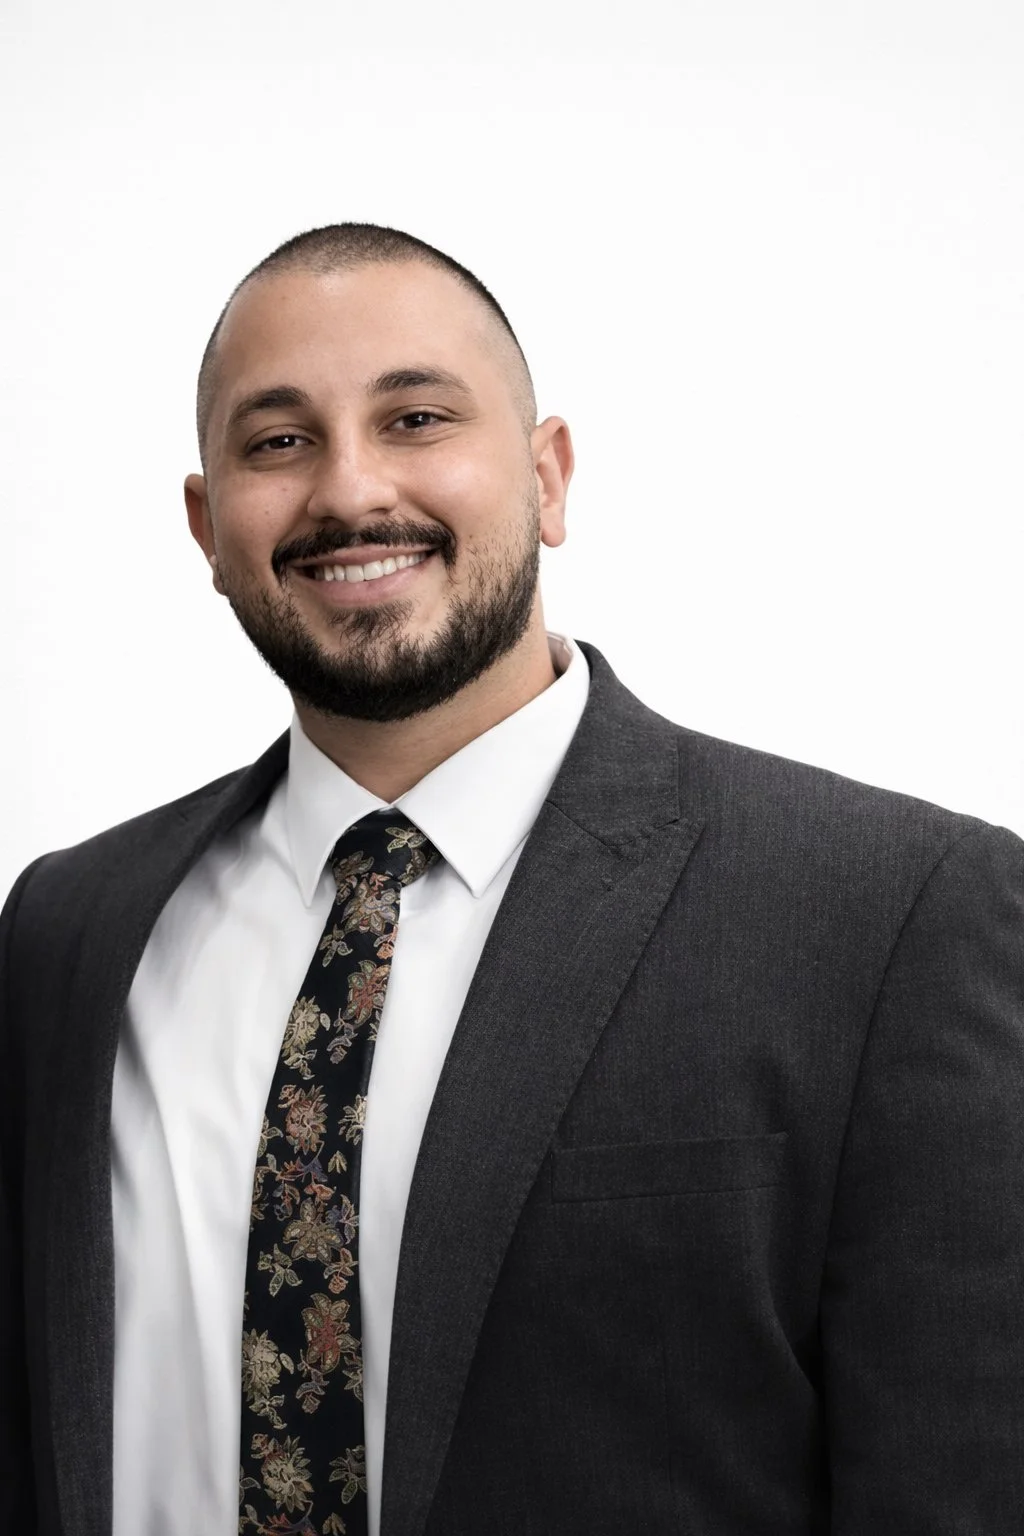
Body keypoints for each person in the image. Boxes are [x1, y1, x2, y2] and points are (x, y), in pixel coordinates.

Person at [2, 221, 1022, 1536]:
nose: (349, 489)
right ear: (207, 527)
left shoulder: (895, 915)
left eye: (417, 418)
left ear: (548, 478)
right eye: (280, 440)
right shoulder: (67, 935)